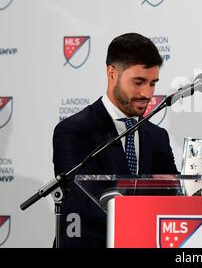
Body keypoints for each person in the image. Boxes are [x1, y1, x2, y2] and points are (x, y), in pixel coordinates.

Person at [52, 33, 179, 247]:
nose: (147, 93)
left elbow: (171, 193)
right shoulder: (74, 130)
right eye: (138, 82)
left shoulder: (157, 137)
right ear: (112, 73)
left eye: (153, 83)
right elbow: (84, 201)